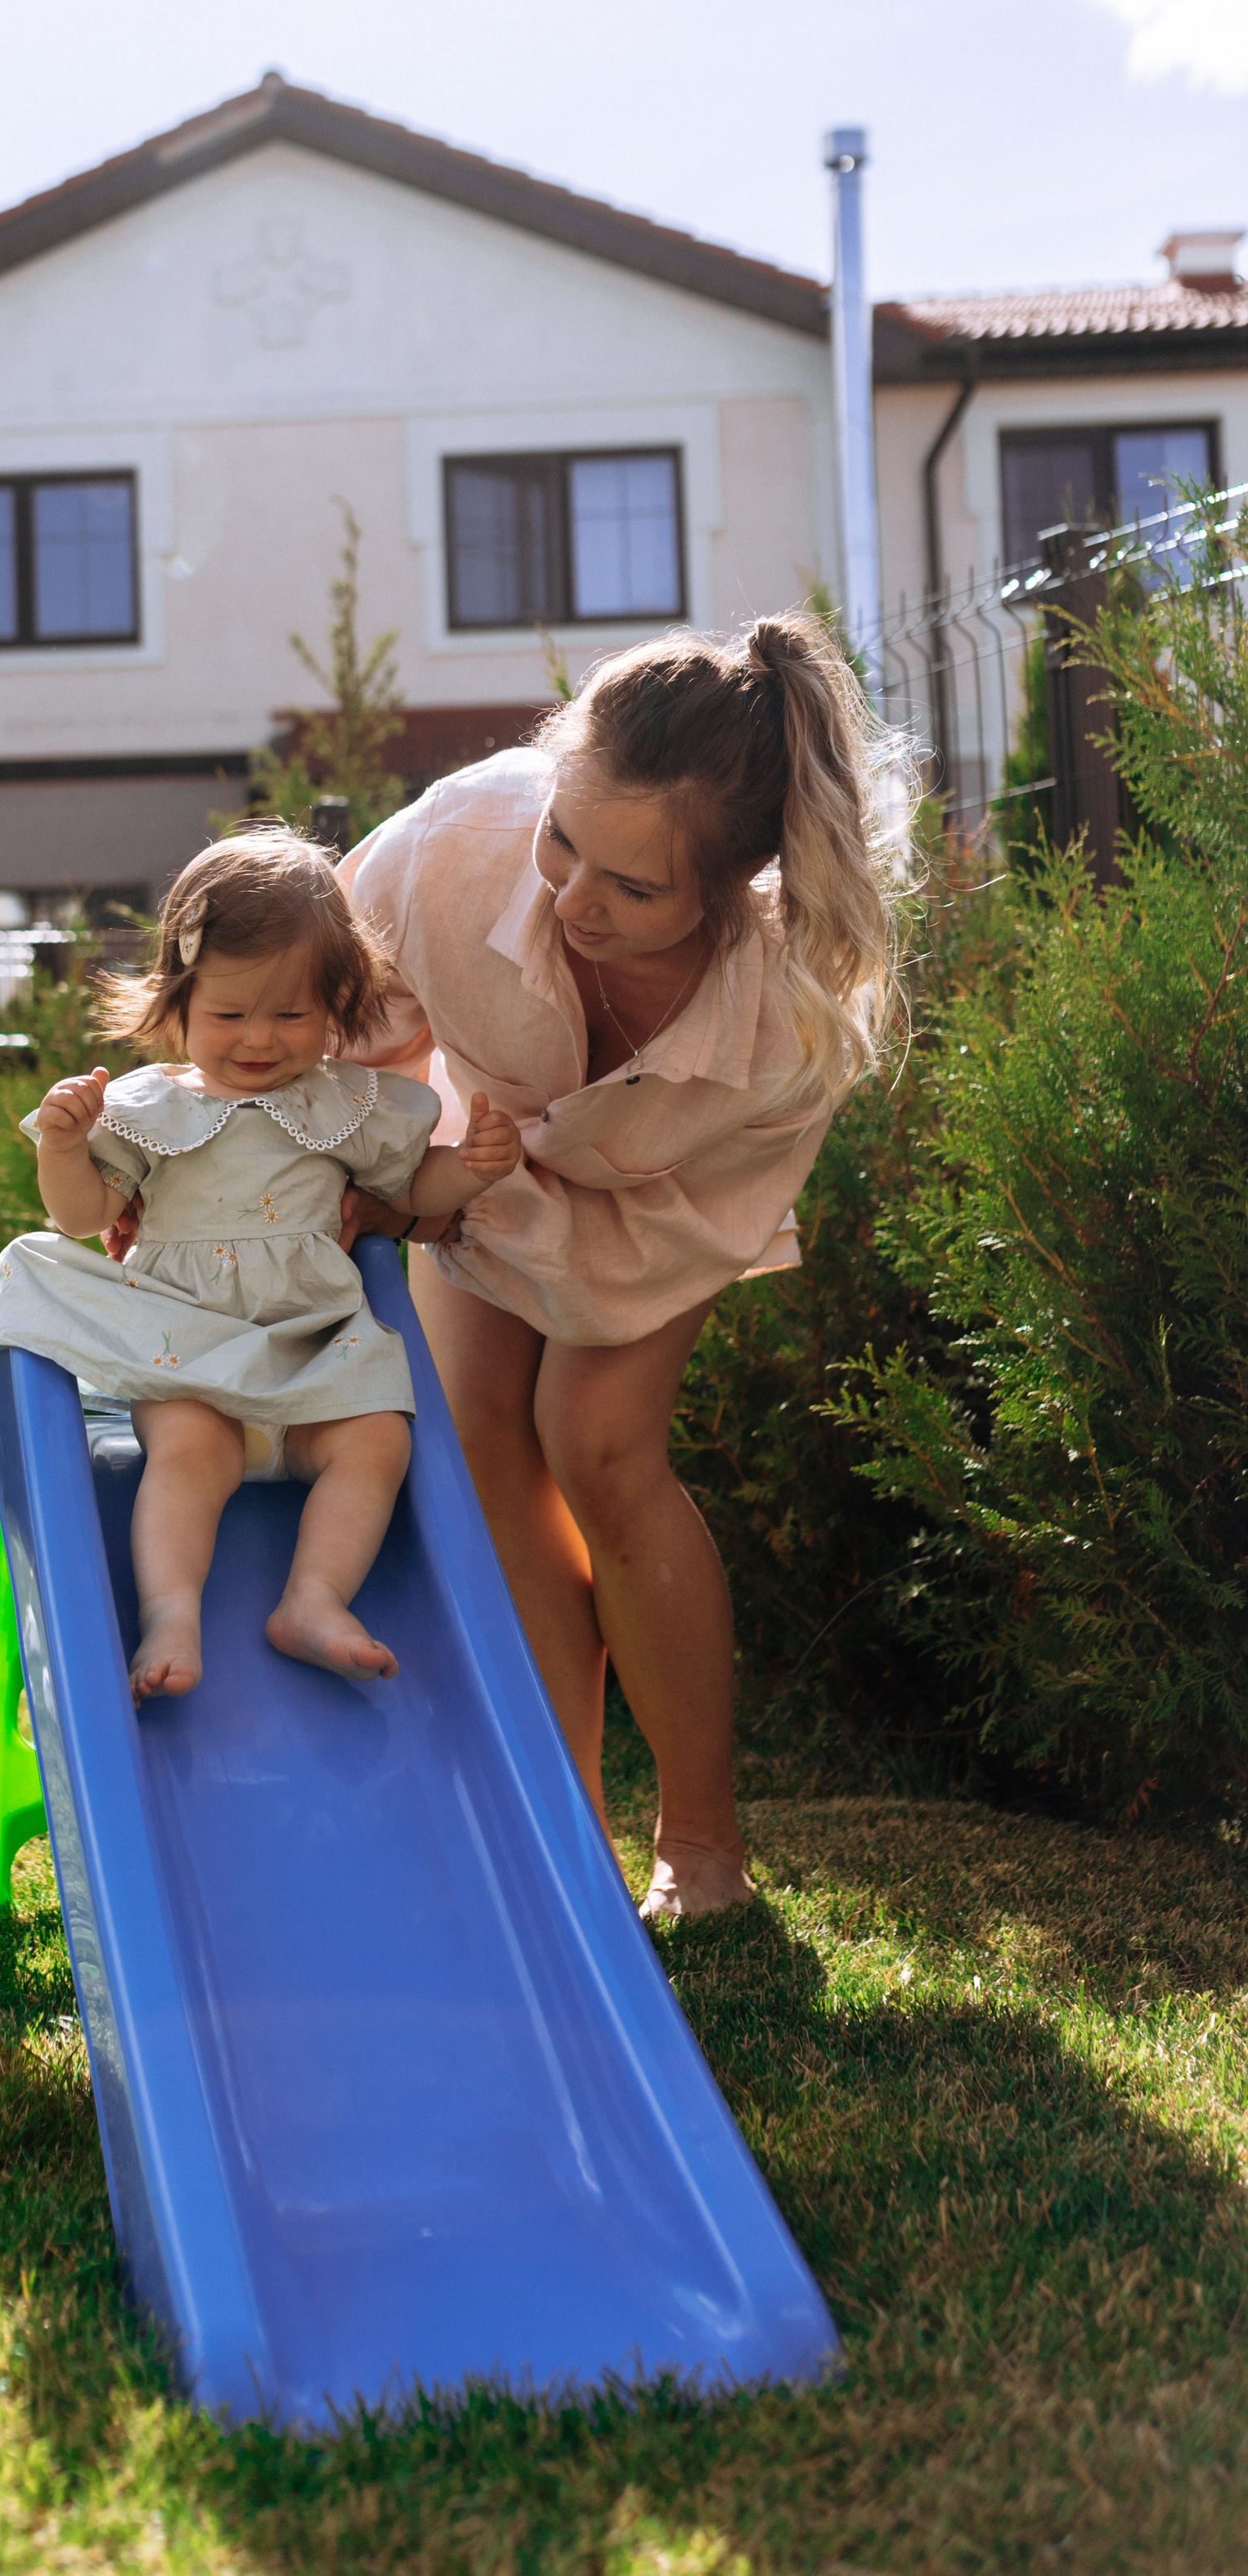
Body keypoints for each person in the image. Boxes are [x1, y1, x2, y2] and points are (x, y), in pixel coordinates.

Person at [339, 612, 914, 1921]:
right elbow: (323, 1019)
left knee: (595, 1439)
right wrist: (363, 1180)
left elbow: (711, 1209)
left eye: (632, 889)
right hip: (479, 1149)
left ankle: (702, 1847)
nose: (568, 897)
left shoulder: (787, 1022)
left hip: (664, 1191)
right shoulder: (456, 848)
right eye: (563, 841)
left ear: (731, 888)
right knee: (483, 1438)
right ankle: (560, 1826)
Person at [0, 831, 523, 1704]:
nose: (258, 1039)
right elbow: (81, 1219)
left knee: (377, 1439)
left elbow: (411, 1185)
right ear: (176, 1004)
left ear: (336, 1006)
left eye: (290, 1014)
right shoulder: (146, 1107)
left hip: (313, 1357)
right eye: (229, 1016)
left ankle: (312, 1599)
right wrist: (66, 1148)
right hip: (189, 1357)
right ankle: (171, 1612)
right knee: (187, 1450)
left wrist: (473, 1167)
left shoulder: (348, 1104)